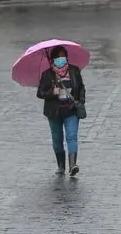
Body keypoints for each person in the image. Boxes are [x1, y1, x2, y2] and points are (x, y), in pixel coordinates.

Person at [37, 45, 87, 176]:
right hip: (54, 112)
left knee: (72, 137)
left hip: (71, 110)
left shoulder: (74, 71)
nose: (61, 59)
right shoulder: (47, 75)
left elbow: (81, 88)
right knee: (57, 139)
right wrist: (52, 92)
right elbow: (40, 93)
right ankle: (61, 166)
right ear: (53, 59)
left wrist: (81, 101)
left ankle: (72, 165)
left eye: (63, 56)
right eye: (58, 57)